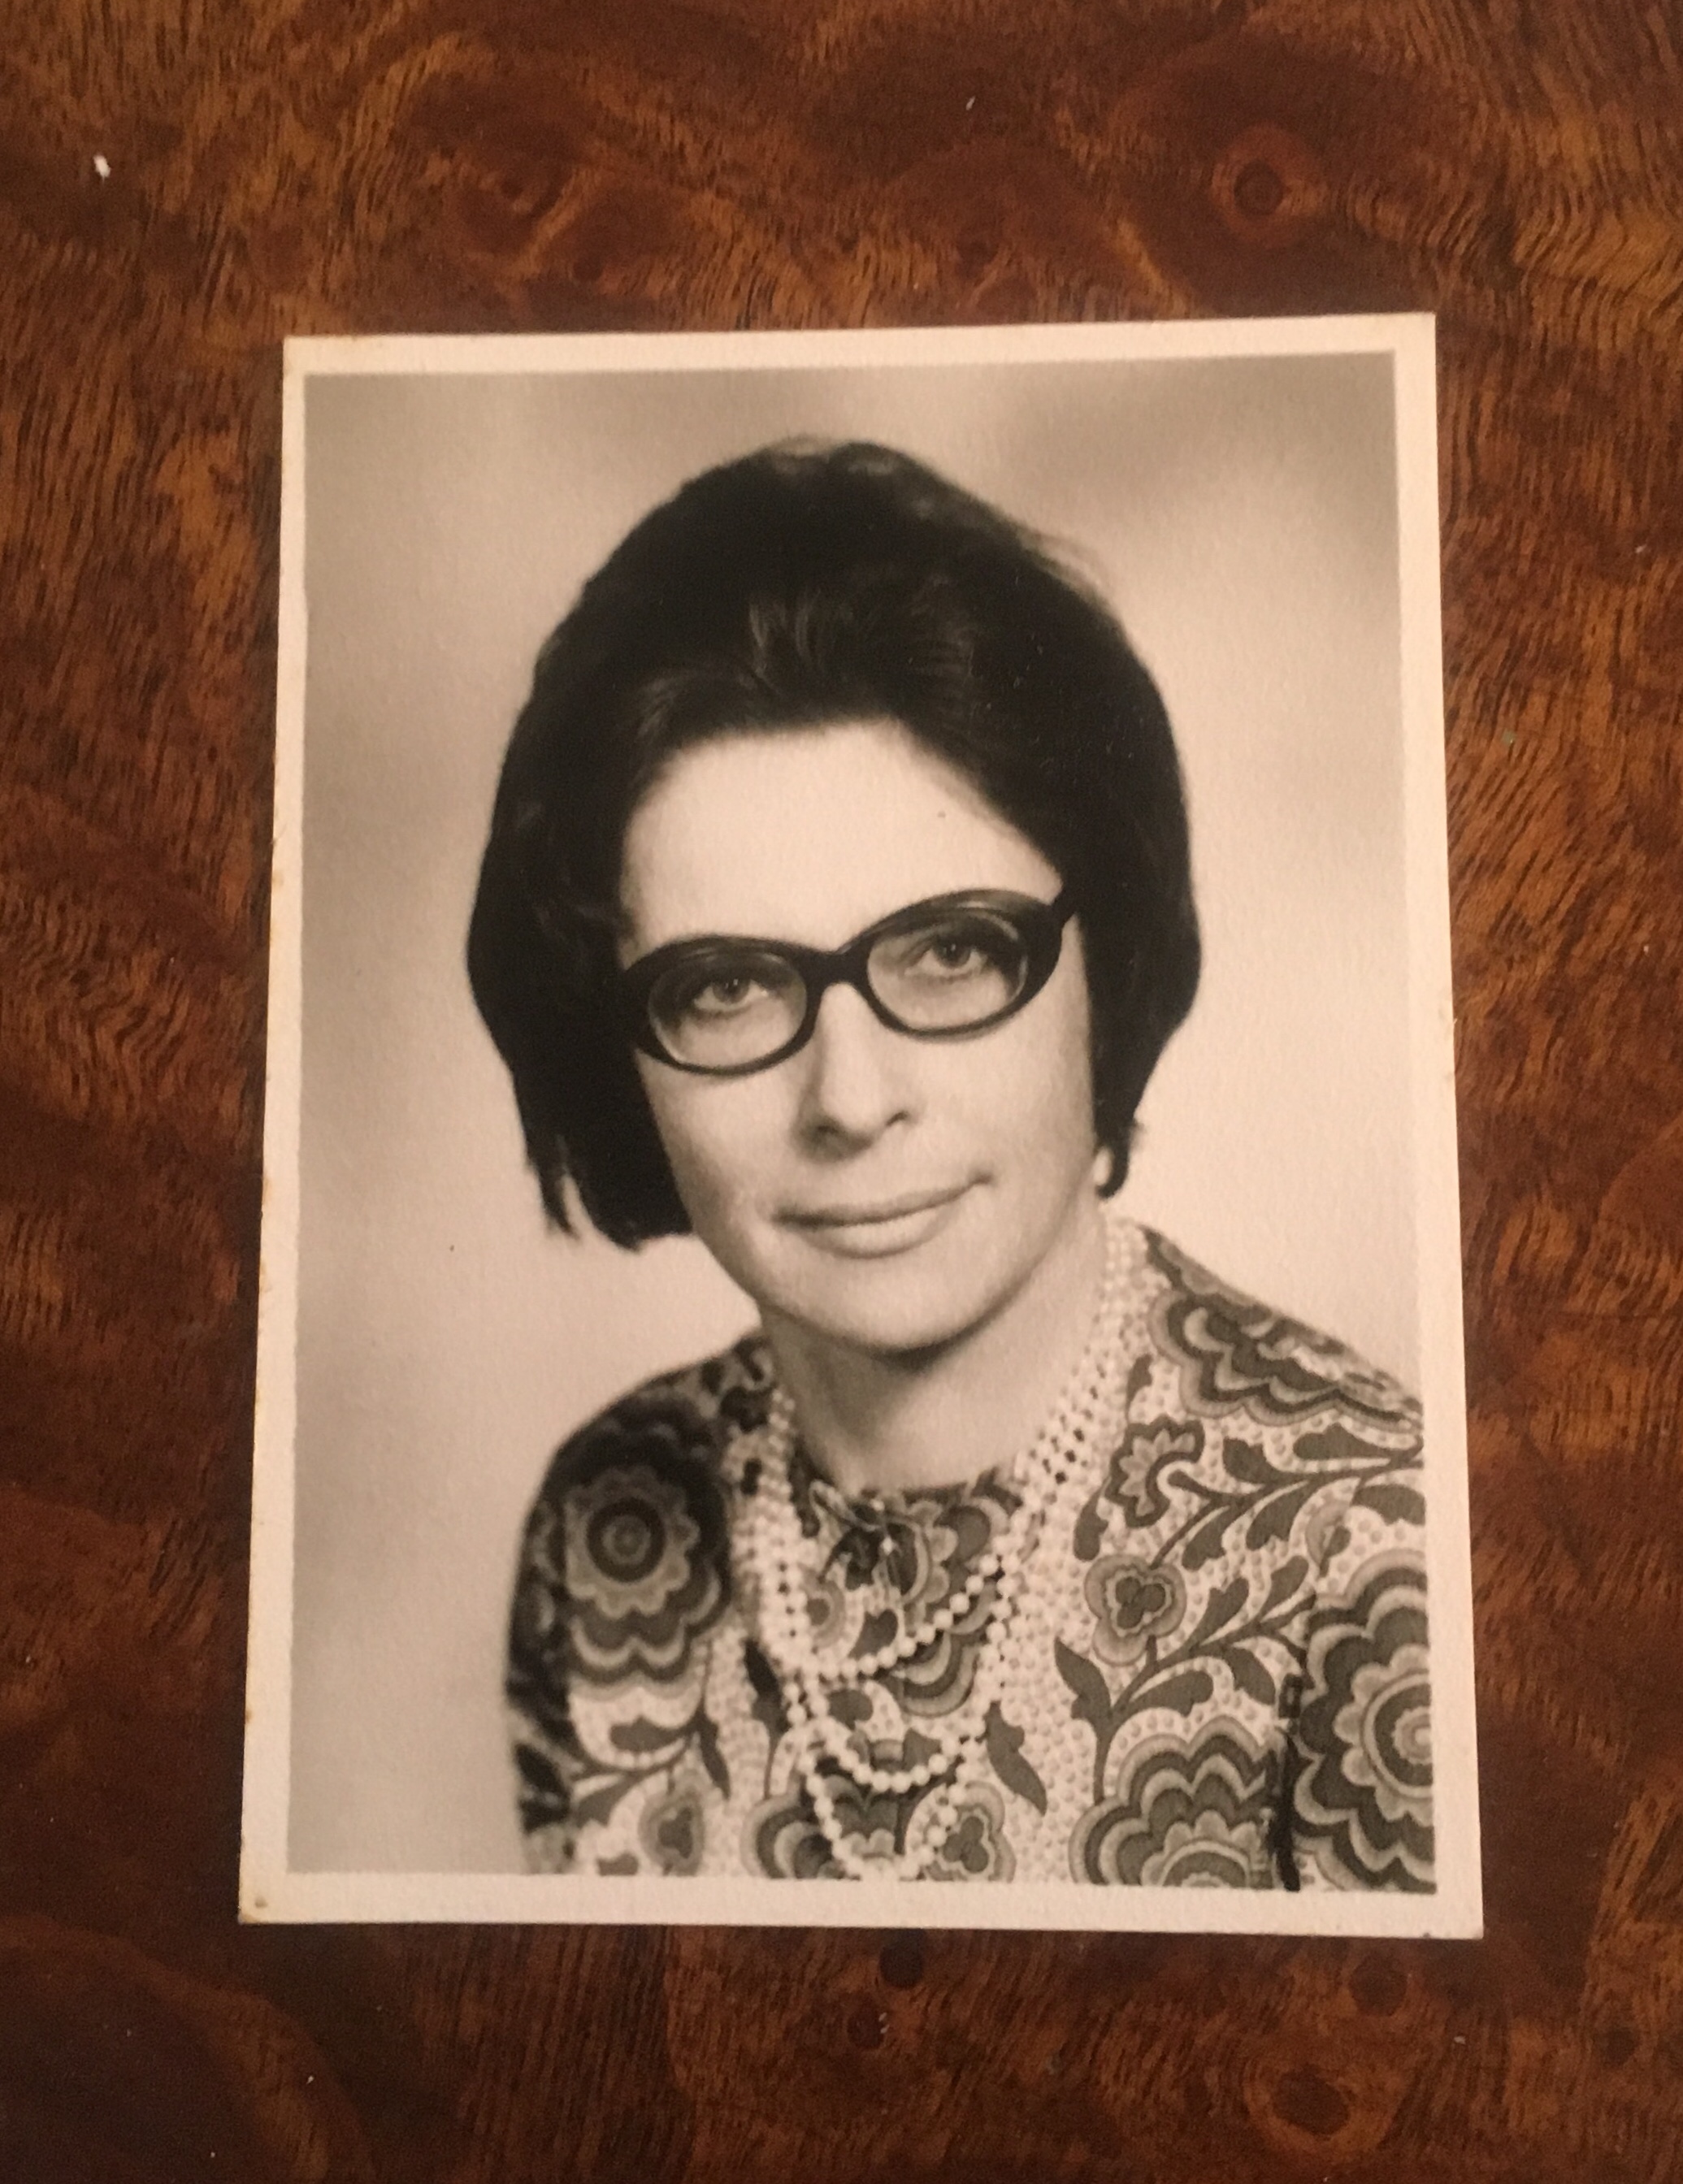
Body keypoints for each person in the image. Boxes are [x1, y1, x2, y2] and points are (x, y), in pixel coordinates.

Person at [467, 440, 1433, 1889]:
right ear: (615, 1045)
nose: (851, 1101)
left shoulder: (1381, 1557)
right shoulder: (602, 1530)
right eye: (725, 987)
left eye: (952, 951)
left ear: (1107, 963)